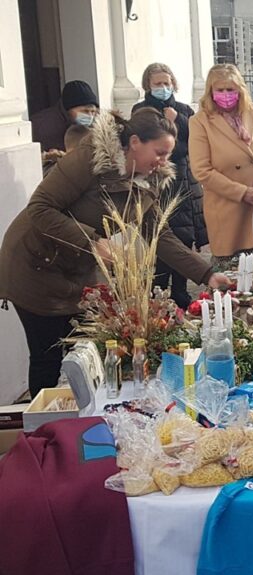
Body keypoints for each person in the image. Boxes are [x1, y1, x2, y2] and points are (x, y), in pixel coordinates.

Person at [0, 109, 230, 397]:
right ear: (135, 142)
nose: (163, 162)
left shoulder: (148, 181)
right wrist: (92, 242)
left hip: (76, 268)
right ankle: (42, 431)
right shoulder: (90, 158)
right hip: (34, 262)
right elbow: (40, 208)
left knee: (91, 352)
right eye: (159, 152)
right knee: (48, 355)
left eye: (168, 155)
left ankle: (85, 416)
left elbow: (158, 234)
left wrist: (206, 274)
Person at [189, 64, 253, 269]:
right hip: (226, 207)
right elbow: (202, 170)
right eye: (220, 90)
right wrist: (241, 192)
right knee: (227, 277)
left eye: (231, 89)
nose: (226, 94)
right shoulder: (200, 121)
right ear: (211, 92)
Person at [134, 63, 205, 310]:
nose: (163, 88)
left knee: (183, 236)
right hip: (155, 181)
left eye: (166, 83)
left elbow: (193, 142)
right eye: (157, 84)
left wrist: (177, 121)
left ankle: (180, 291)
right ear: (148, 86)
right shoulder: (141, 111)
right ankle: (159, 294)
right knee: (160, 236)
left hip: (183, 181)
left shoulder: (183, 110)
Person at [30, 80, 100, 154]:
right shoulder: (41, 126)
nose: (90, 116)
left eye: (93, 112)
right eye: (85, 111)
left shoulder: (95, 127)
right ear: (68, 108)